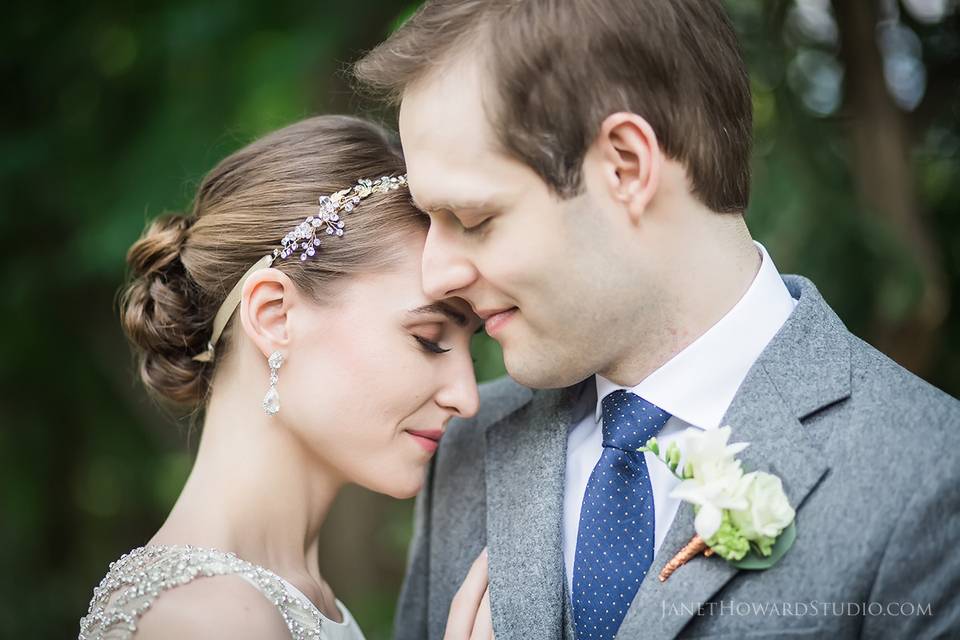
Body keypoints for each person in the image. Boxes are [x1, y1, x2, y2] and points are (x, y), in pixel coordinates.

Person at [354, 1, 960, 638]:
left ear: (626, 166)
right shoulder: (467, 448)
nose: (435, 274)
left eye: (473, 219)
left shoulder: (931, 477)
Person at [78, 115, 483, 639]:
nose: (468, 397)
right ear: (275, 316)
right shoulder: (206, 619)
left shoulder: (287, 596)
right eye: (429, 339)